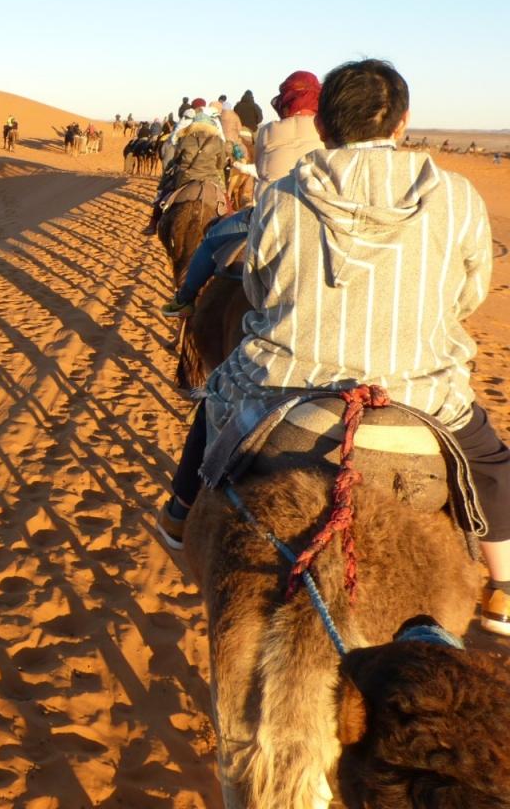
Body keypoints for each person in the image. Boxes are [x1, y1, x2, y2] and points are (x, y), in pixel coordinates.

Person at [157, 60, 510, 638]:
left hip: (286, 381)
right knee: (491, 462)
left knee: (215, 402)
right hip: (420, 390)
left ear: (323, 127)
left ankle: (179, 512)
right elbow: (469, 293)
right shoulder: (457, 196)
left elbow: (259, 289)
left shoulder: (283, 196)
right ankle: (503, 589)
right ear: (402, 122)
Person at [160, 71, 324, 317]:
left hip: (269, 213)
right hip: (317, 214)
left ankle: (185, 299)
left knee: (210, 240)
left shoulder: (267, 131)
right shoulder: (327, 132)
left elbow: (263, 169)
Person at [142, 109, 228, 235]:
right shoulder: (218, 141)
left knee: (165, 193)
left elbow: (176, 159)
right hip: (210, 178)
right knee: (225, 199)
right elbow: (220, 164)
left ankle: (153, 224)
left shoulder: (184, 139)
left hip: (185, 178)